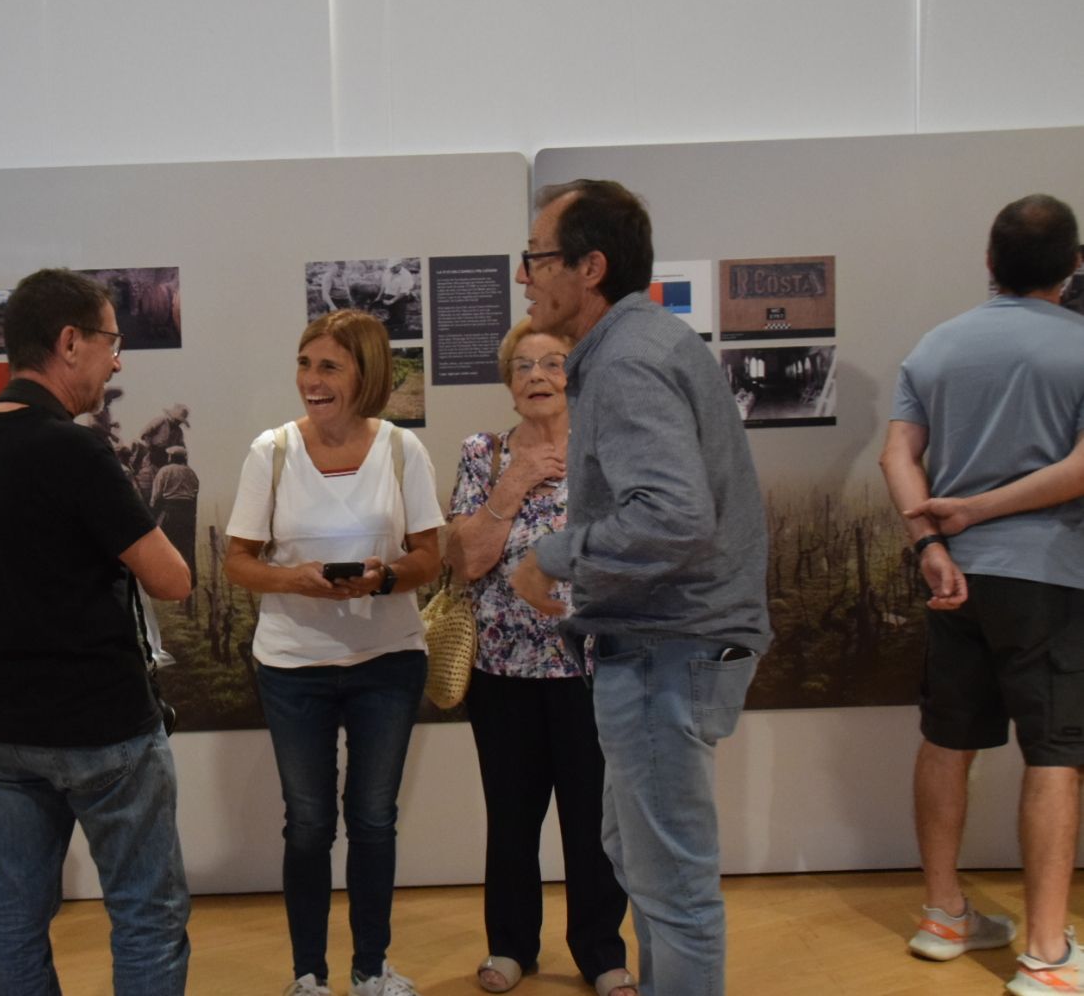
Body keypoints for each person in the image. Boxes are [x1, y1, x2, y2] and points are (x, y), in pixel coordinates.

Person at [508, 180, 771, 996]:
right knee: (642, 865)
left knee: (673, 889)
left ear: (590, 266)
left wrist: (552, 555)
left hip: (666, 651)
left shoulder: (625, 360)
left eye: (538, 258)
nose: (526, 277)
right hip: (667, 648)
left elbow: (672, 516)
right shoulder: (646, 344)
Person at [0, 268, 193, 995]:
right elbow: (173, 581)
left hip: (4, 726)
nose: (117, 359)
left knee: (18, 915)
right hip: (105, 727)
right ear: (69, 342)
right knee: (145, 913)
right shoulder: (76, 451)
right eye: (110, 341)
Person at [879, 194, 1084, 995]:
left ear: (990, 262)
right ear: (1072, 265)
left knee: (947, 738)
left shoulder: (937, 346)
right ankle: (1045, 952)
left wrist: (933, 538)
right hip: (1051, 575)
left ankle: (943, 915)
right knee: (1059, 755)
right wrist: (981, 510)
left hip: (953, 576)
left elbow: (900, 455)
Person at [223, 308, 444, 996]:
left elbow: (430, 558)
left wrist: (385, 577)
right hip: (294, 665)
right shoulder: (273, 451)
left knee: (374, 819)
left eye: (328, 367)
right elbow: (238, 560)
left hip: (388, 660)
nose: (310, 381)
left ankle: (371, 970)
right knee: (310, 823)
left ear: (366, 373)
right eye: (304, 364)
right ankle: (308, 975)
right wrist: (294, 580)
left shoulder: (404, 451)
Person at [445, 319, 634, 996]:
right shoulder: (484, 452)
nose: (537, 377)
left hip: (593, 667)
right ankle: (511, 946)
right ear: (508, 381)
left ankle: (601, 952)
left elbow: (634, 548)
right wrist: (513, 483)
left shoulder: (609, 451)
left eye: (553, 363)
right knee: (512, 816)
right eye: (522, 366)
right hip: (503, 673)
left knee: (593, 820)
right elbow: (467, 560)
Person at [151, 445, 201, 588]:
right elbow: (195, 495)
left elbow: (156, 496)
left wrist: (154, 512)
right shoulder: (191, 473)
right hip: (187, 515)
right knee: (186, 547)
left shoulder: (164, 471)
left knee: (166, 546)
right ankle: (187, 581)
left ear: (170, 457)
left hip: (169, 513)